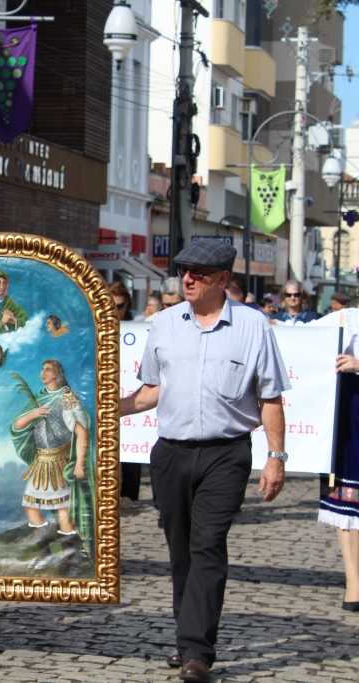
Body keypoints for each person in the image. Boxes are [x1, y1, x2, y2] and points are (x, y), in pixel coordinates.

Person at [120, 239, 289, 683]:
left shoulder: (255, 327)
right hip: (171, 454)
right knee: (181, 551)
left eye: (198, 273)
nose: (187, 279)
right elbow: (153, 390)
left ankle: (197, 651)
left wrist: (276, 458)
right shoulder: (164, 324)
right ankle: (187, 635)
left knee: (207, 545)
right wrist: (107, 406)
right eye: (184, 271)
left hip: (226, 453)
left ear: (222, 280)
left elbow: (270, 397)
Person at [10, 360, 93, 569]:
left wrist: (80, 463)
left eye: (47, 369)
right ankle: (45, 552)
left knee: (63, 509)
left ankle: (69, 555)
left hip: (59, 462)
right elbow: (17, 425)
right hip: (41, 464)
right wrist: (33, 415)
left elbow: (82, 431)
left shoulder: (67, 398)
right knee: (31, 507)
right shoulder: (38, 399)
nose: (43, 372)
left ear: (56, 374)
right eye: (42, 368)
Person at [308, 297, 359, 611]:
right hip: (350, 416)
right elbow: (299, 338)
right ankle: (354, 581)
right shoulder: (345, 319)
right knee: (346, 497)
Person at [110, 281, 141, 504]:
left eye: (119, 306)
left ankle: (129, 493)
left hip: (132, 390)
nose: (115, 311)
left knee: (133, 441)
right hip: (106, 389)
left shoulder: (138, 324)